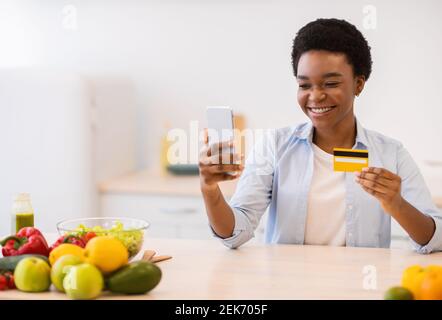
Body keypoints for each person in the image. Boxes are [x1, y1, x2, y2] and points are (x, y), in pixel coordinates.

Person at [198, 18, 442, 253]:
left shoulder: (391, 153)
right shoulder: (274, 146)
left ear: (359, 84)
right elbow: (234, 234)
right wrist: (209, 189)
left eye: (330, 84)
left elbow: (436, 238)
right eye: (304, 85)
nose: (315, 96)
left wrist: (397, 205)